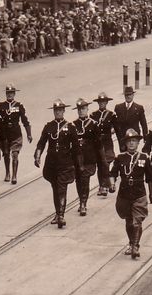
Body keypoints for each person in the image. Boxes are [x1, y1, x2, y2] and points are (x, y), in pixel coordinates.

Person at [109, 129, 152, 259]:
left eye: (134, 141)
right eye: (129, 141)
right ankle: (131, 243)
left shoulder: (144, 158)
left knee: (137, 222)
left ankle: (135, 246)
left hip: (139, 194)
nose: (131, 144)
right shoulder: (120, 158)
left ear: (138, 143)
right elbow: (112, 174)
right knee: (129, 221)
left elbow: (151, 177)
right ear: (125, 143)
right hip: (124, 194)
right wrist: (112, 184)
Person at [34, 99, 80, 228]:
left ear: (64, 111)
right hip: (51, 164)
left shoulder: (70, 127)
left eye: (60, 110)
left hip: (65, 164)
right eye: (56, 111)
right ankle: (58, 213)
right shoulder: (49, 127)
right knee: (55, 189)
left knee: (61, 189)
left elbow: (76, 148)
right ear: (54, 112)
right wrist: (37, 156)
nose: (58, 112)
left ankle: (61, 215)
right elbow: (41, 143)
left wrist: (78, 165)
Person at [72, 98, 104, 216]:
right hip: (77, 158)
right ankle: (81, 199)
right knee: (78, 180)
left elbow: (98, 143)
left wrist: (101, 160)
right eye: (79, 109)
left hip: (89, 158)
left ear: (87, 109)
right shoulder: (73, 125)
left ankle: (83, 203)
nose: (81, 111)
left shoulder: (93, 124)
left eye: (83, 109)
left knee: (85, 179)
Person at [0, 84, 32, 184]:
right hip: (5, 134)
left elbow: (25, 120)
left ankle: (14, 175)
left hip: (16, 133)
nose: (9, 95)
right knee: (6, 154)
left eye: (11, 93)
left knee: (15, 154)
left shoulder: (19, 105)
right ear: (6, 94)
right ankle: (7, 172)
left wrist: (29, 134)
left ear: (14, 94)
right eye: (8, 93)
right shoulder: (1, 106)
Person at [90, 92, 117, 196]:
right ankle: (102, 185)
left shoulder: (111, 115)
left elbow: (116, 128)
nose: (102, 104)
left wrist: (113, 130)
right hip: (97, 143)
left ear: (106, 102)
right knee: (100, 166)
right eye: (100, 102)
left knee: (106, 164)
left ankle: (105, 185)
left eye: (103, 102)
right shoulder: (93, 115)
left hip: (107, 143)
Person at [113, 86, 148, 153]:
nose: (128, 96)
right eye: (126, 95)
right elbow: (115, 122)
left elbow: (144, 124)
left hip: (134, 136)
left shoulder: (139, 108)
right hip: (123, 137)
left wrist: (145, 138)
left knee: (133, 153)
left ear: (133, 95)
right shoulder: (118, 107)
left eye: (130, 94)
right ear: (124, 96)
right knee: (123, 155)